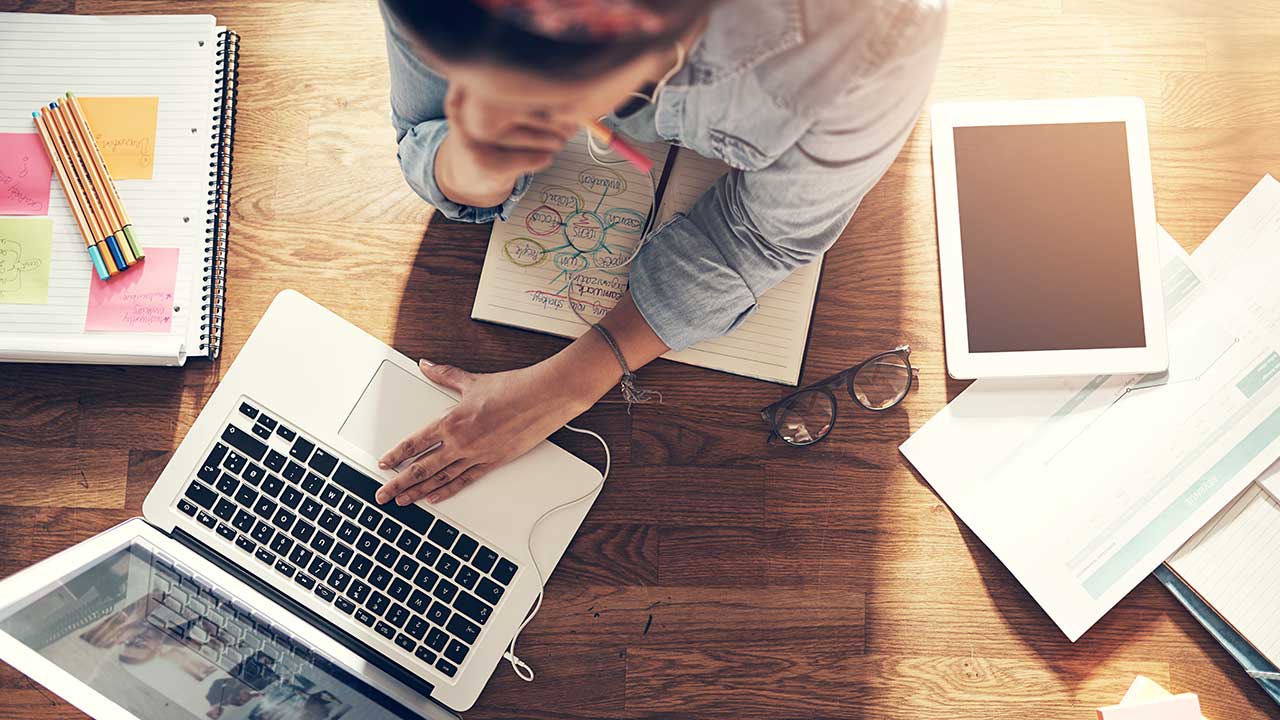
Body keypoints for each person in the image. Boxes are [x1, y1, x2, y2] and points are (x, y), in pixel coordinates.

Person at [374, 0, 946, 506]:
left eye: (556, 97)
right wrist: (473, 161)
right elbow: (426, 127)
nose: (513, 99)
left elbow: (760, 237)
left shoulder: (878, 28)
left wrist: (565, 386)